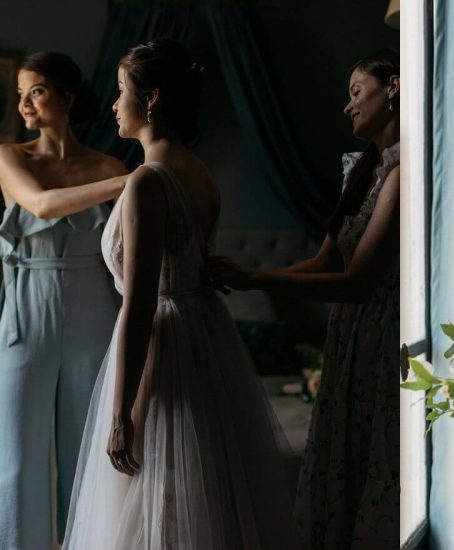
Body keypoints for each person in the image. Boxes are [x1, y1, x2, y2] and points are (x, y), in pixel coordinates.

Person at [62, 39, 298, 549]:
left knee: (158, 495)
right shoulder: (198, 171)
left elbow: (140, 303)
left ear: (150, 99)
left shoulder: (148, 181)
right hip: (204, 334)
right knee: (201, 490)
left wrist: (121, 413)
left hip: (164, 347)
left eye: (120, 90)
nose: (111, 105)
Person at [208, 49, 400, 549]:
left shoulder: (404, 174)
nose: (348, 106)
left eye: (357, 92)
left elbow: (357, 282)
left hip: (381, 331)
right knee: (340, 455)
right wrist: (251, 274)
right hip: (348, 333)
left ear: (394, 88)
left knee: (372, 456)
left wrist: (252, 279)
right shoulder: (364, 172)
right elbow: (321, 265)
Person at [0, 51, 127, 549]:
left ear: (67, 97)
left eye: (37, 91)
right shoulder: (10, 156)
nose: (26, 104)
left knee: (86, 455)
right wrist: (132, 180)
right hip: (27, 311)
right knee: (17, 461)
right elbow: (39, 204)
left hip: (93, 309)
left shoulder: (106, 163)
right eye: (20, 94)